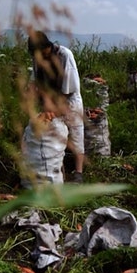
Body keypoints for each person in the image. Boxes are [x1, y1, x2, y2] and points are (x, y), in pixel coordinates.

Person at [27, 30, 85, 183]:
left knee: (76, 135)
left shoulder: (64, 55)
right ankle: (58, 169)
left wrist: (55, 108)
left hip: (69, 101)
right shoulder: (37, 59)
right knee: (53, 135)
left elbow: (69, 88)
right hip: (49, 102)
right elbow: (34, 81)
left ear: (47, 46)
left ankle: (78, 172)